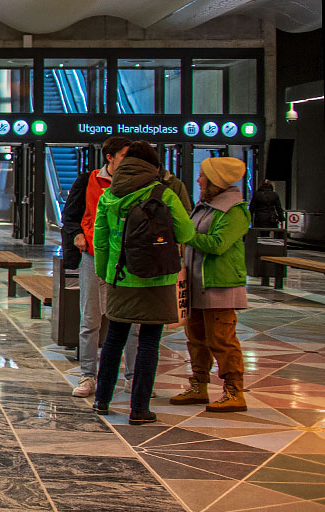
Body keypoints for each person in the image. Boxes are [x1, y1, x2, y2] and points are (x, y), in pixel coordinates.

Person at [91, 141, 195, 424]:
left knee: (114, 339)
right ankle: (139, 409)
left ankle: (102, 400)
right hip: (157, 277)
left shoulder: (109, 195)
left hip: (120, 276)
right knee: (149, 342)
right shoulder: (163, 193)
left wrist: (107, 273)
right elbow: (186, 232)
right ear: (153, 164)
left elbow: (99, 241)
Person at [169, 157, 251, 412]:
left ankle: (234, 391)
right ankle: (199, 385)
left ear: (216, 180)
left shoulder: (235, 209)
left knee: (222, 340)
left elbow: (218, 244)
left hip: (220, 286)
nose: (198, 179)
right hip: (196, 284)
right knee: (196, 338)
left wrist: (187, 234)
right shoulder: (204, 205)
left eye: (203, 175)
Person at [61, 135, 138, 398]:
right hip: (93, 256)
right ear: (110, 157)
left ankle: (132, 377)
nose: (130, 162)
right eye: (125, 156)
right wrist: (76, 235)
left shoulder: (138, 185)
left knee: (132, 321)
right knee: (90, 319)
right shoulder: (89, 180)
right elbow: (70, 216)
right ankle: (87, 375)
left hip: (128, 259)